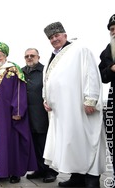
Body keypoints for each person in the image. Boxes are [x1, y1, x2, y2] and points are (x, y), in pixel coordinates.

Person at [43, 22, 106, 188]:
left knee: (88, 141)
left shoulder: (80, 49)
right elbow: (48, 81)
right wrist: (46, 99)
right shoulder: (53, 56)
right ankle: (77, 177)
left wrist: (90, 99)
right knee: (71, 143)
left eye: (57, 35)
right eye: (51, 37)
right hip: (62, 110)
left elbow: (91, 73)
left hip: (81, 107)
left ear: (65, 35)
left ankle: (92, 179)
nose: (54, 39)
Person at [0, 42, 37, 183]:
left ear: (5, 56)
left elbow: (19, 91)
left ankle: (14, 172)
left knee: (11, 143)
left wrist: (17, 110)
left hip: (8, 115)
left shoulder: (13, 70)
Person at [22, 48, 58, 183]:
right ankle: (39, 168)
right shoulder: (22, 71)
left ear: (38, 56)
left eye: (32, 55)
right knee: (33, 142)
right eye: (27, 56)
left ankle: (51, 171)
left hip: (42, 113)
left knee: (45, 142)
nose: (29, 58)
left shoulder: (45, 70)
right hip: (27, 114)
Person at [99, 14, 115, 178]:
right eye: (112, 29)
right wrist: (111, 68)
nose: (114, 32)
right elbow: (101, 76)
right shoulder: (108, 50)